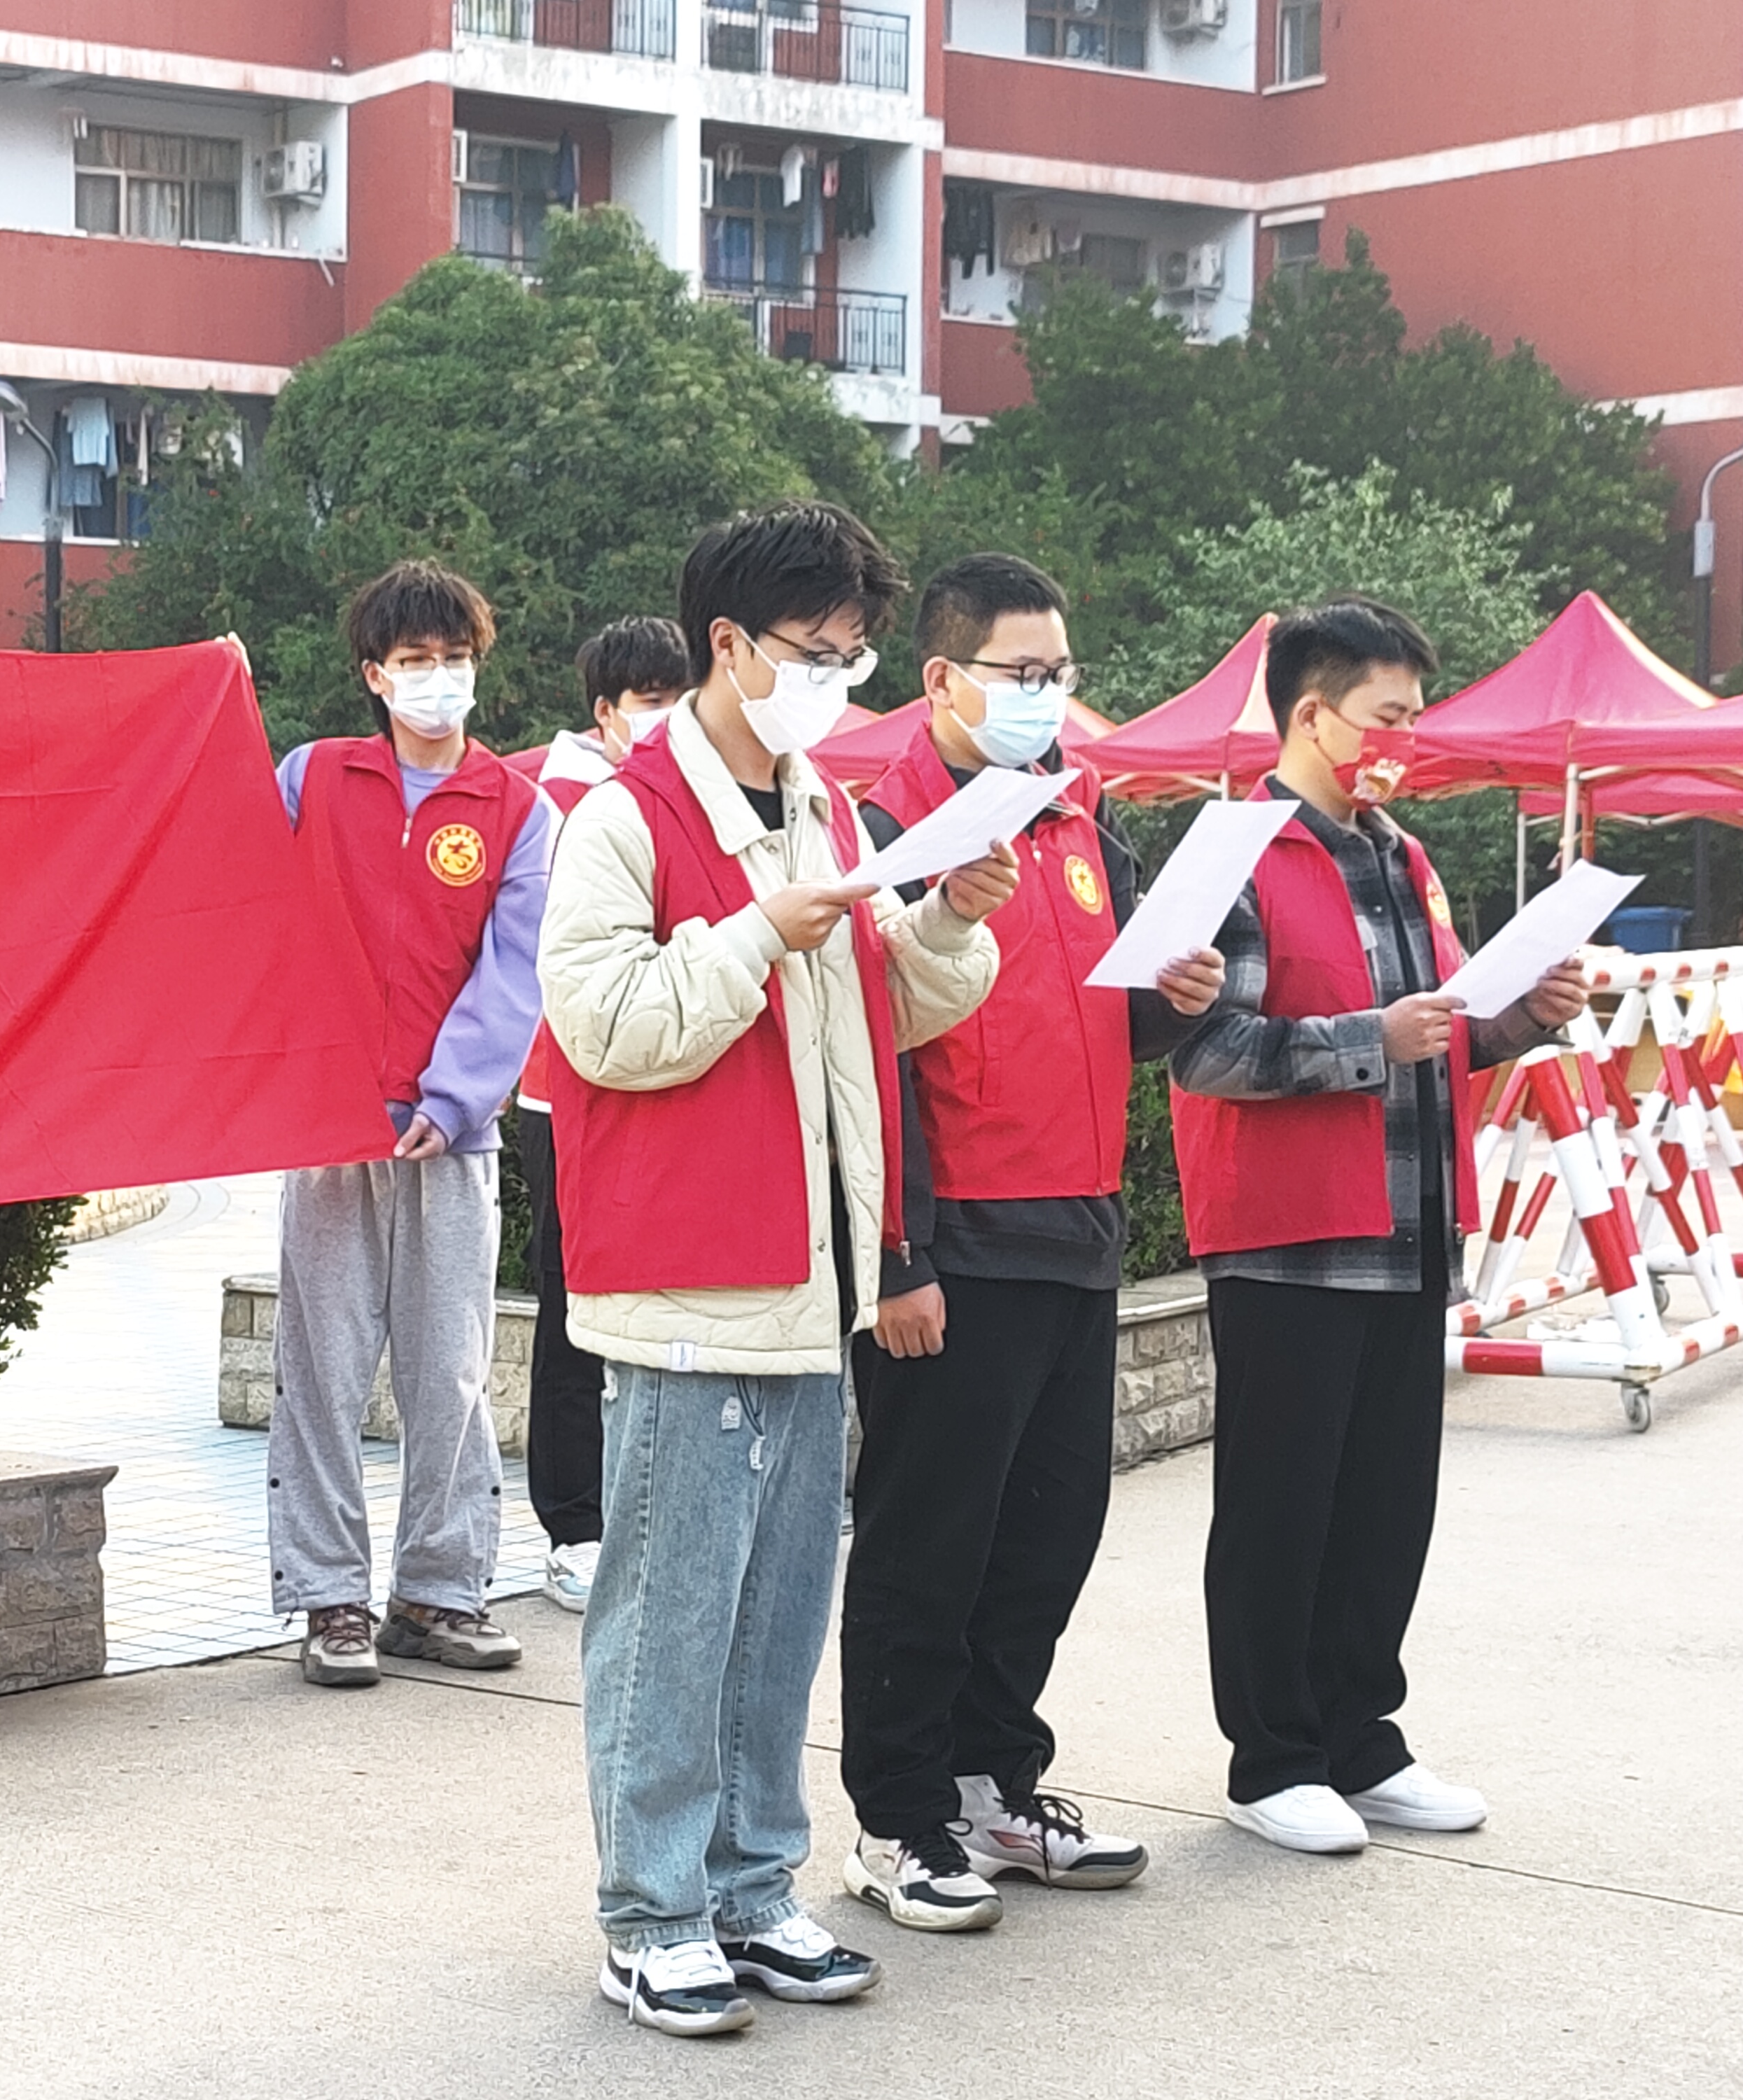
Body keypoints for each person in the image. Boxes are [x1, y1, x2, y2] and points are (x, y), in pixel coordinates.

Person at [538, 502, 1015, 2037]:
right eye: (816, 652)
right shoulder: (621, 815)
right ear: (728, 644)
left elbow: (884, 1015)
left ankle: (751, 1891)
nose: (834, 681)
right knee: (669, 1625)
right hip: (687, 1282)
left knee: (776, 1621)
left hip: (812, 1285)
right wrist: (754, 932)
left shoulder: (831, 814)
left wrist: (944, 922)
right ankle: (651, 1915)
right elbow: (604, 1029)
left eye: (853, 655)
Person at [839, 554, 1224, 1931]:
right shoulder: (887, 830)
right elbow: (870, 1058)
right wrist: (900, 1257)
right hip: (959, 1241)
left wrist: (1178, 995)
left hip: (1078, 1227)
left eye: (1059, 673)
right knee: (926, 1541)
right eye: (1021, 673)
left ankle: (993, 1784)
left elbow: (1113, 1019)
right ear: (941, 679)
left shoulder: (1079, 819)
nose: (1047, 696)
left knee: (1046, 1533)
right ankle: (896, 1818)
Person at [1167, 598, 1588, 1856]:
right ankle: (1273, 1758)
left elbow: (1435, 1037)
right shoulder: (1233, 854)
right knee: (1282, 1507)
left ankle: (1363, 1739)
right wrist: (1370, 1038)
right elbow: (1201, 1050)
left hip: (1408, 1230)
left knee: (1385, 1507)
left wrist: (1521, 1017)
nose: (1407, 738)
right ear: (1314, 714)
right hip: (1290, 1238)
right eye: (1389, 716)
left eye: (1413, 716)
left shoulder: (1402, 855)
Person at [270, 560, 552, 1689]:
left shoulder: (518, 810)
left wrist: (454, 1096)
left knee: (453, 1374)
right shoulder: (311, 777)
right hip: (328, 1132)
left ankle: (439, 1591)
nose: (439, 678)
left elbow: (516, 970)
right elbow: (238, 899)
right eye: (415, 660)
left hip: (452, 1136)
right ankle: (329, 1598)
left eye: (455, 658)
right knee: (321, 1372)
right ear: (374, 676)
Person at [513, 615, 688, 1613]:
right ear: (606, 713)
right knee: (573, 1308)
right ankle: (573, 1526)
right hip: (567, 1088)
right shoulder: (560, 801)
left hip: (671, 1082)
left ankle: (644, 1515)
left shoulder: (696, 792)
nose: (668, 717)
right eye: (650, 702)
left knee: (656, 1306)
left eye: (679, 697)